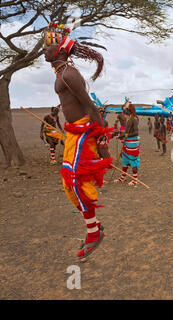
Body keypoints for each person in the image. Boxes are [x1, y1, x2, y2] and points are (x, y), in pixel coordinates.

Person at [43, 22, 112, 260]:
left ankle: (93, 233)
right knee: (69, 182)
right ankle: (94, 225)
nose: (44, 50)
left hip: (83, 133)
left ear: (61, 50)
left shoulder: (70, 75)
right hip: (74, 134)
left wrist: (101, 139)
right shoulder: (61, 72)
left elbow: (91, 107)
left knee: (76, 181)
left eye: (48, 46)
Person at [114, 105, 140, 186]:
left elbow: (136, 132)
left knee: (133, 160)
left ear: (127, 113)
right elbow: (127, 132)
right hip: (127, 142)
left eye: (125, 115)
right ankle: (123, 177)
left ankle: (135, 180)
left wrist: (124, 136)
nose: (124, 117)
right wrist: (120, 135)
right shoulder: (129, 120)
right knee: (125, 159)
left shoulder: (134, 119)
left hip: (132, 144)